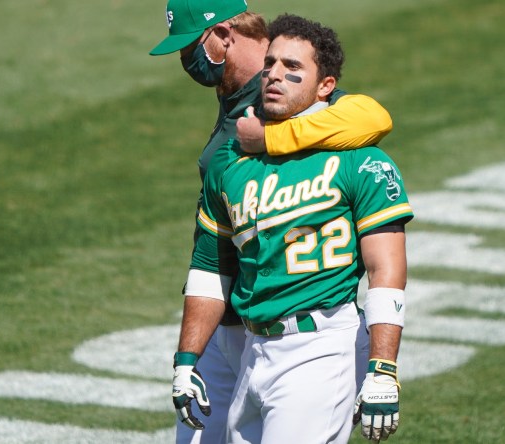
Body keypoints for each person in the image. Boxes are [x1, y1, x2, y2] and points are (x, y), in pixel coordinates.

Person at [149, 1, 395, 442]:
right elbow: (211, 257)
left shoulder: (289, 100)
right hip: (235, 328)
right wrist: (187, 355)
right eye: (270, 65)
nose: (187, 62)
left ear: (223, 35)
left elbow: (373, 117)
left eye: (191, 47)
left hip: (298, 329)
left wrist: (270, 137)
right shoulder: (238, 102)